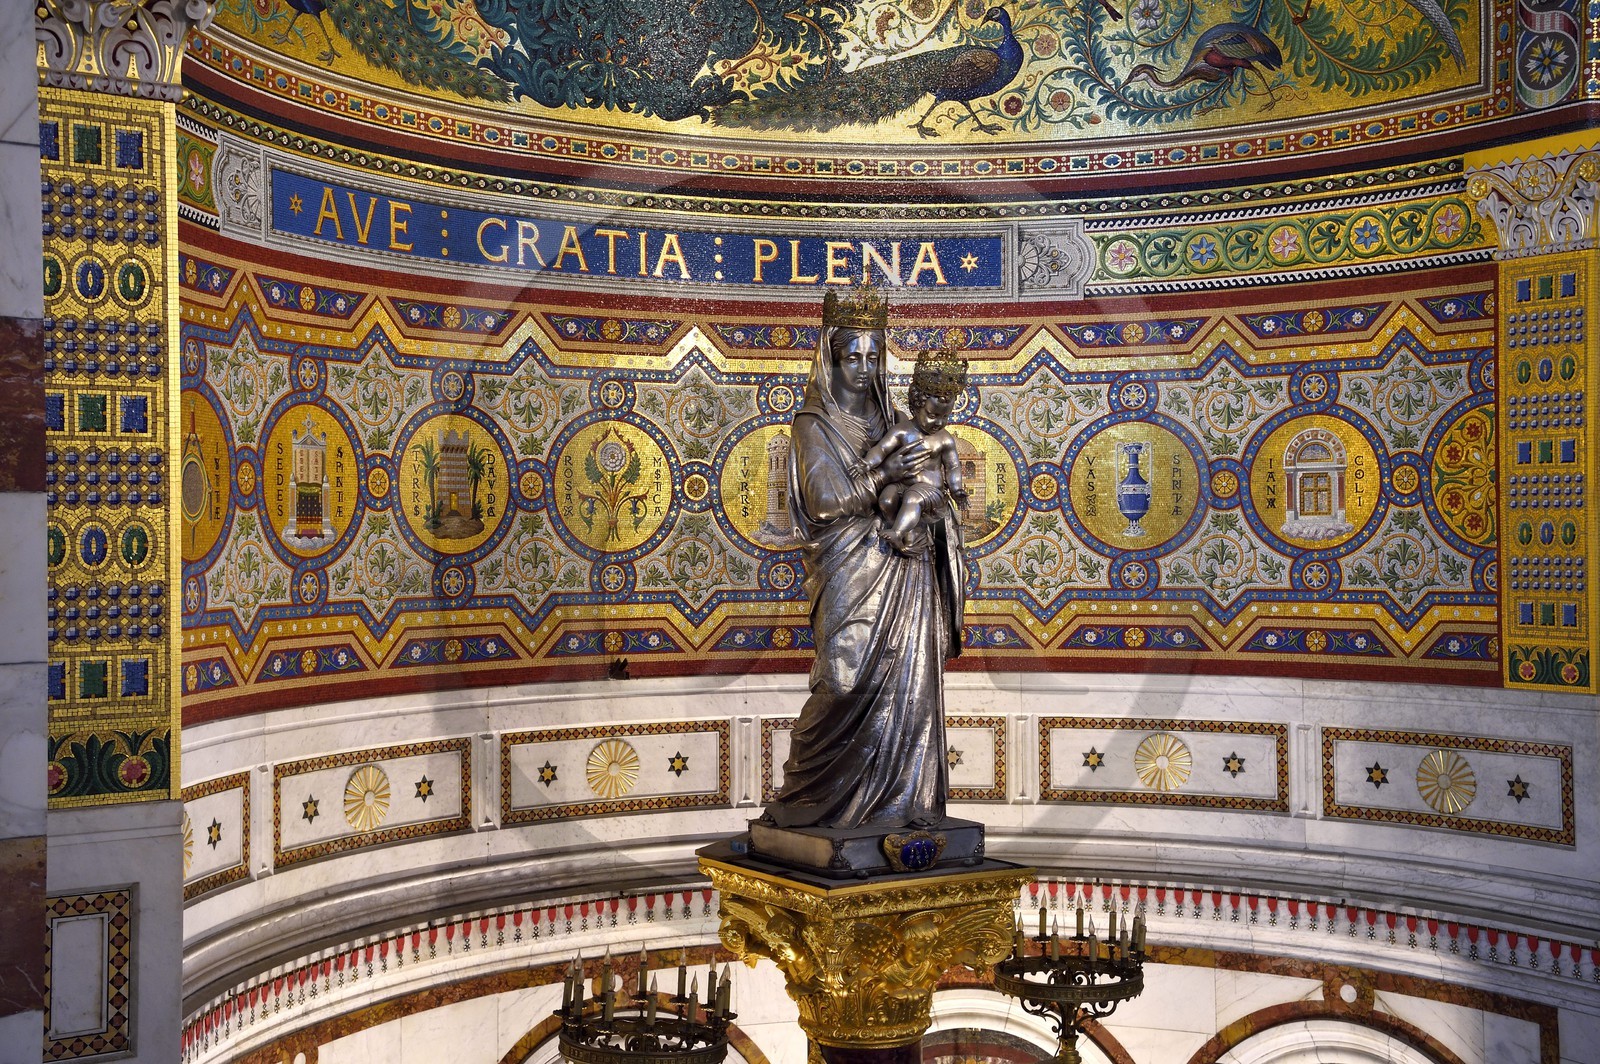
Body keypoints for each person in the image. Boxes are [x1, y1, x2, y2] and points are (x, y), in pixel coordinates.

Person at [765, 285, 967, 831]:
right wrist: (884, 476)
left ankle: (901, 803)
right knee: (843, 682)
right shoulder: (813, 425)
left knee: (908, 681)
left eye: (874, 355)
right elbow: (825, 502)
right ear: (830, 357)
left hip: (905, 571)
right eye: (852, 355)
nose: (863, 366)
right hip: (846, 570)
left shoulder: (894, 420)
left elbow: (936, 487)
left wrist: (936, 513)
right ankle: (809, 800)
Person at [860, 347, 970, 554]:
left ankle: (899, 532)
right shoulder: (902, 431)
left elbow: (953, 466)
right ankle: (902, 532)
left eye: (944, 417)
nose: (938, 422)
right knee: (886, 499)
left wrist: (956, 490)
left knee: (913, 498)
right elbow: (881, 449)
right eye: (932, 415)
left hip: (930, 494)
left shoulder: (944, 439)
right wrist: (867, 463)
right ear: (916, 406)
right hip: (903, 486)